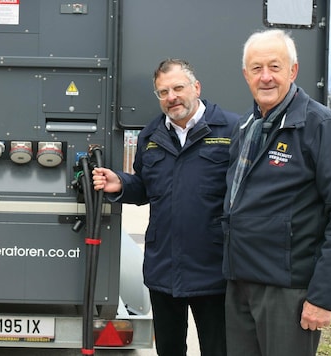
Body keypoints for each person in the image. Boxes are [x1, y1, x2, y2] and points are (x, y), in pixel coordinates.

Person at [92, 58, 238, 356]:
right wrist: (120, 183)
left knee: (219, 349)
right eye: (163, 92)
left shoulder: (231, 129)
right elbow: (147, 188)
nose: (171, 97)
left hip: (214, 269)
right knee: (169, 350)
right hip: (164, 269)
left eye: (178, 88)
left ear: (196, 88)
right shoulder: (151, 136)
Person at [223, 29, 331, 355]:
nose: (265, 77)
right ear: (245, 75)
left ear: (293, 71)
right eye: (256, 68)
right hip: (241, 284)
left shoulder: (321, 127)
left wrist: (322, 297)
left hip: (288, 294)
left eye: (275, 67)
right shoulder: (246, 128)